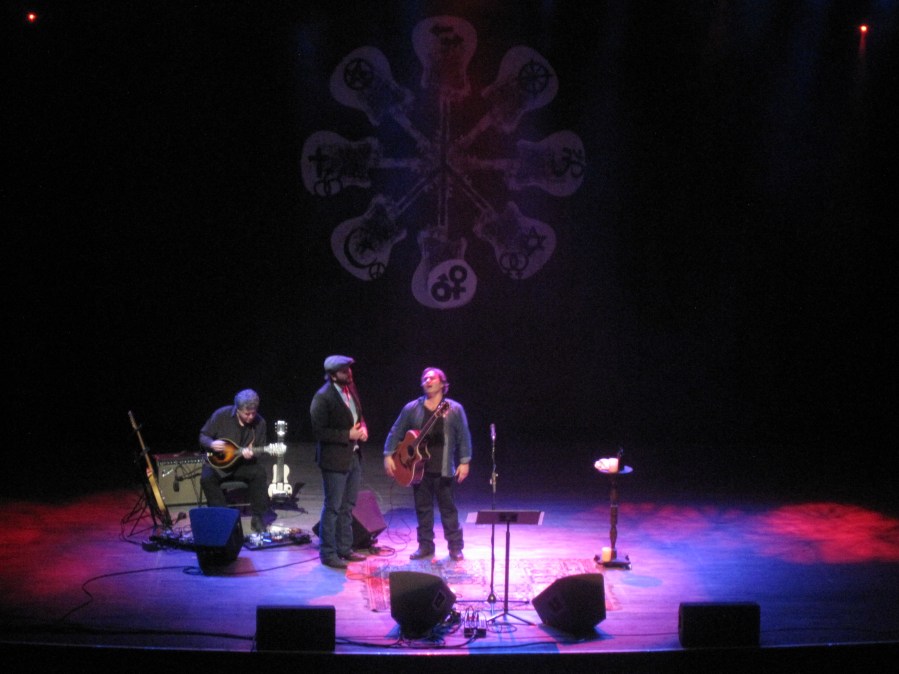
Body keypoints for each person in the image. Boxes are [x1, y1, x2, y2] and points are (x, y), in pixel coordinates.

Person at [384, 367, 472, 561]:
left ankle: (455, 547)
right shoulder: (412, 408)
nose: (427, 381)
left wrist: (464, 461)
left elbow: (464, 435)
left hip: (443, 468)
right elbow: (396, 431)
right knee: (423, 509)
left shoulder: (454, 408)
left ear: (442, 383)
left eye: (432, 378)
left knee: (448, 510)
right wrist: (388, 455)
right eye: (424, 379)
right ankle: (425, 545)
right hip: (418, 469)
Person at [310, 355, 370, 569]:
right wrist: (347, 434)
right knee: (333, 507)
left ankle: (345, 548)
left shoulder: (350, 389)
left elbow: (358, 416)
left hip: (353, 456)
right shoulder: (323, 397)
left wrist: (363, 428)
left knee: (348, 506)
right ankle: (328, 553)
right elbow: (319, 431)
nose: (349, 373)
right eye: (344, 371)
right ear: (333, 375)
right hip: (334, 460)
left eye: (349, 369)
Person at [199, 389, 270, 533]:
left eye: (253, 413)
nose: (251, 417)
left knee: (260, 473)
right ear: (237, 409)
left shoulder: (260, 423)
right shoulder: (221, 415)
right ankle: (225, 518)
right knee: (206, 478)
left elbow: (260, 449)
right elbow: (203, 436)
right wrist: (211, 443)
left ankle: (257, 518)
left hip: (242, 465)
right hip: (218, 464)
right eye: (247, 414)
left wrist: (252, 454)